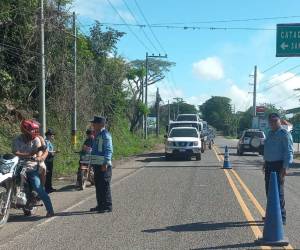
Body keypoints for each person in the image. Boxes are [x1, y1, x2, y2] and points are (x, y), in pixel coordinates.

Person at [12, 119, 54, 217]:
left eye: (35, 130)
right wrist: (29, 154)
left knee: (38, 187)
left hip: (31, 166)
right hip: (17, 165)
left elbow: (40, 151)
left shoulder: (37, 140)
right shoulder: (18, 139)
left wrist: (38, 157)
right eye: (32, 130)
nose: (34, 132)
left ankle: (50, 210)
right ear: (25, 130)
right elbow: (15, 152)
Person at [263, 113, 293, 225]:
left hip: (278, 166)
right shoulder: (270, 133)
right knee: (269, 191)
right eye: (271, 121)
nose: (273, 123)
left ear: (279, 121)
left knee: (278, 192)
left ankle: (282, 217)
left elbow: (289, 152)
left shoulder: (284, 134)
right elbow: (268, 149)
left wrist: (284, 168)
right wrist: (265, 162)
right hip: (269, 165)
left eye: (275, 120)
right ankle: (272, 214)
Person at [89, 116, 113, 213]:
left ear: (101, 124)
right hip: (97, 164)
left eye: (95, 123)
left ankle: (107, 206)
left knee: (104, 185)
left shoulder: (105, 135)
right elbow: (95, 150)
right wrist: (92, 162)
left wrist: (106, 163)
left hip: (103, 165)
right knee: (98, 185)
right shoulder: (97, 134)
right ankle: (100, 205)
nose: (93, 125)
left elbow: (109, 150)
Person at [45, 128, 57, 193]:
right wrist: (54, 152)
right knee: (48, 174)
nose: (53, 137)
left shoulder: (49, 142)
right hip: (47, 160)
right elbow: (47, 151)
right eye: (52, 135)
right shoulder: (46, 142)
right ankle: (47, 188)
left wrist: (54, 152)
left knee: (49, 174)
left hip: (50, 159)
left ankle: (49, 187)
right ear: (48, 135)